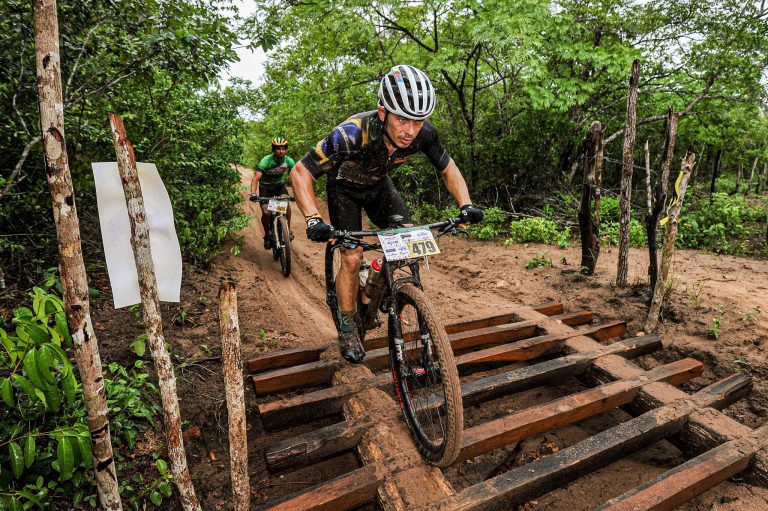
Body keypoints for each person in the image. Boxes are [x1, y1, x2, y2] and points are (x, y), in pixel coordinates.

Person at [290, 64, 483, 363]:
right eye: (403, 119)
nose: (410, 131)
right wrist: (314, 218)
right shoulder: (351, 134)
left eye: (418, 121)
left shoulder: (423, 135)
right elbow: (301, 172)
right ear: (383, 114)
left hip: (379, 187)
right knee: (352, 258)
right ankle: (346, 327)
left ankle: (375, 288)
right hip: (344, 190)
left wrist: (465, 204)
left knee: (407, 243)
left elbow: (448, 167)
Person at [250, 137, 295, 250]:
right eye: (278, 149)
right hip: (265, 187)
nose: (281, 151)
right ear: (273, 150)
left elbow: (295, 178)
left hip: (279, 186)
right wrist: (253, 193)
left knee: (285, 204)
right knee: (266, 213)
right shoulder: (266, 161)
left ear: (286, 150)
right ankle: (267, 236)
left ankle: (287, 231)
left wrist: (298, 193)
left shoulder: (289, 161)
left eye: (283, 149)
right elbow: (255, 179)